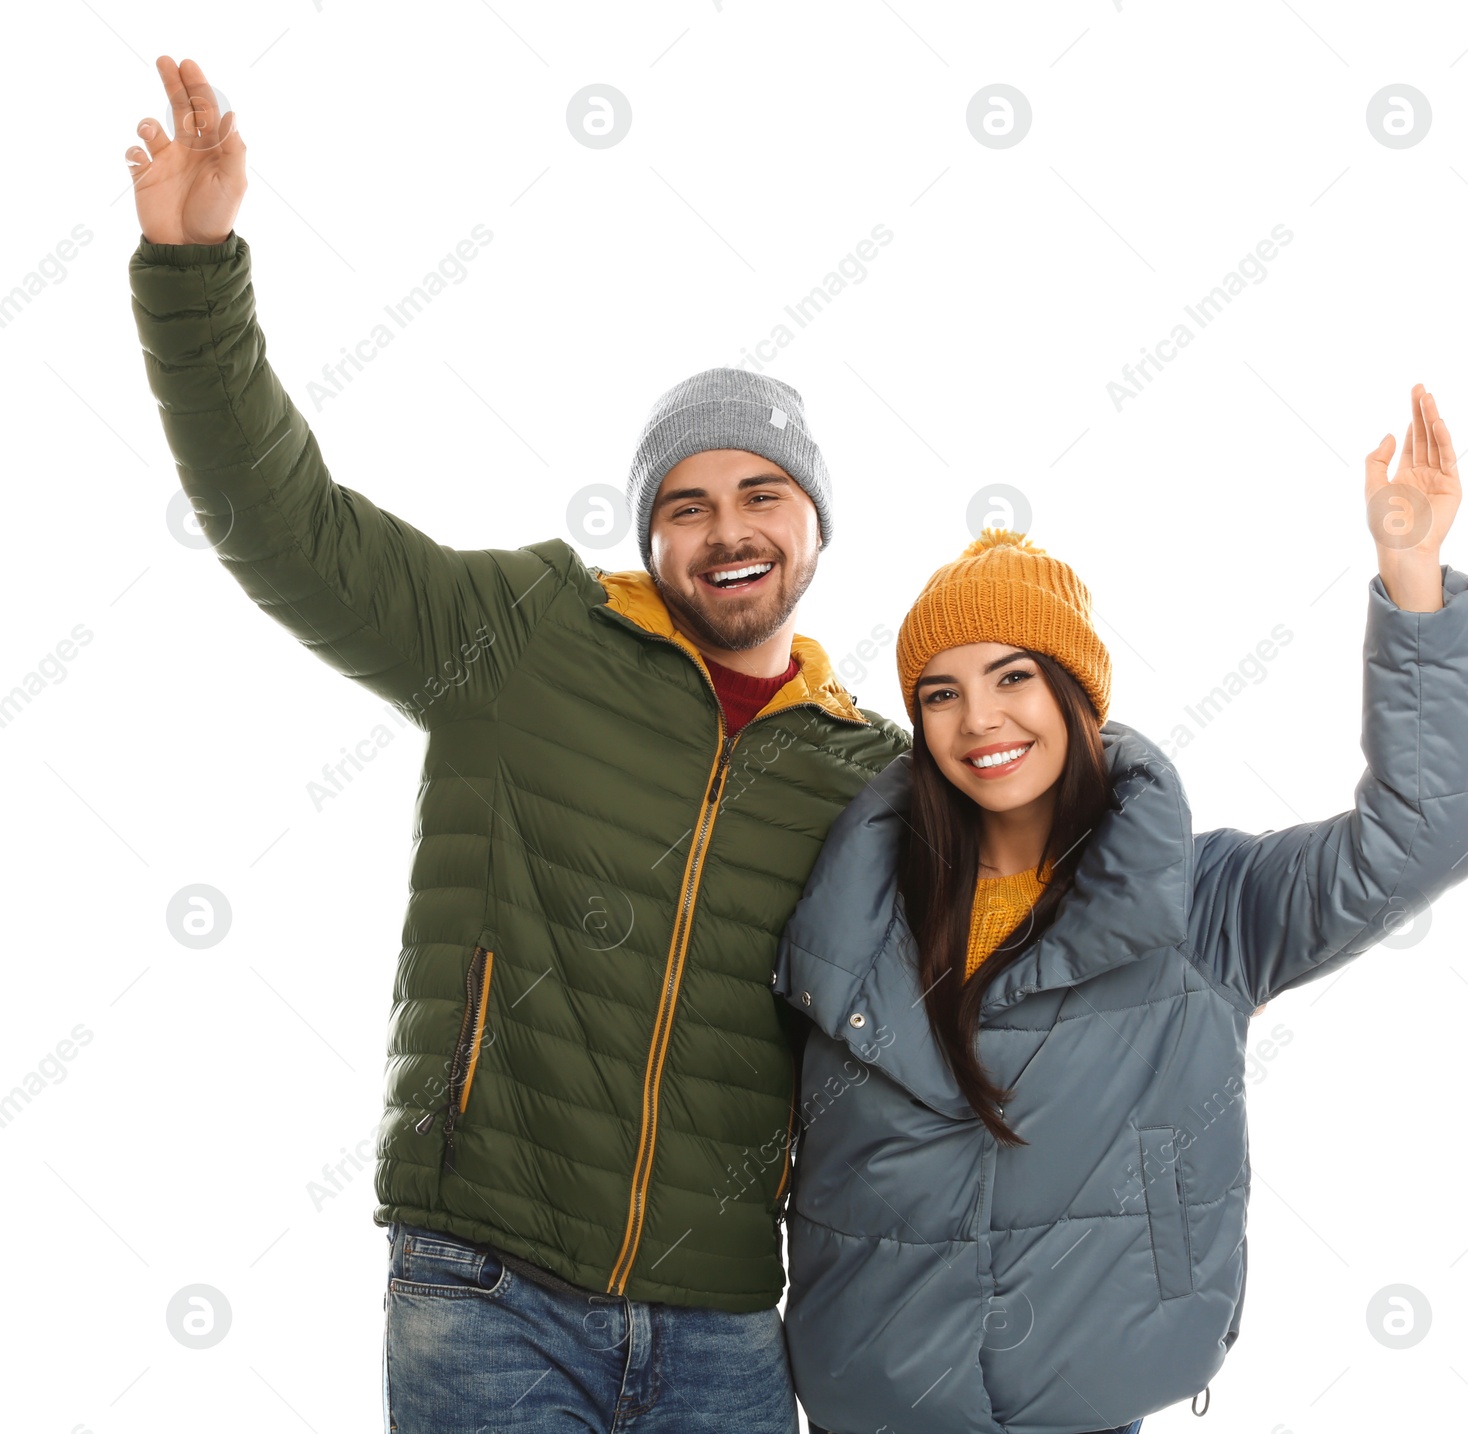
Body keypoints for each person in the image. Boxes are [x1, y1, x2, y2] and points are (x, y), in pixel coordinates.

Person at [122, 55, 909, 1432]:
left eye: (762, 493)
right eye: (687, 503)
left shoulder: (876, 773)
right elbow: (282, 522)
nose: (727, 529)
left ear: (815, 525)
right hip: (489, 1286)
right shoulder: (527, 636)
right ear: (649, 532)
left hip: (731, 1316)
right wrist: (194, 267)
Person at [774, 390, 1468, 1434]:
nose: (980, 721)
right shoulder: (851, 900)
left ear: (1076, 695)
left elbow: (1416, 840)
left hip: (1089, 1406)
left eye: (1013, 677)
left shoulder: (1206, 905)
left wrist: (1412, 579)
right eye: (939, 691)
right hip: (864, 1410)